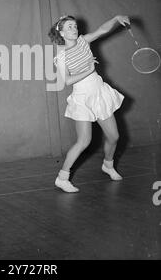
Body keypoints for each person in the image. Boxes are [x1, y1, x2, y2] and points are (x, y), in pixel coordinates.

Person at [48, 14, 130, 193]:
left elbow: (102, 30)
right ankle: (62, 178)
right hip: (82, 97)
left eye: (75, 26)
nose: (74, 29)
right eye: (69, 27)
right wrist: (90, 69)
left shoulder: (84, 41)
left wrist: (115, 18)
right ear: (61, 32)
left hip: (98, 92)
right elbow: (67, 81)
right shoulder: (61, 57)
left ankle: (108, 165)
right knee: (84, 141)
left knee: (114, 136)